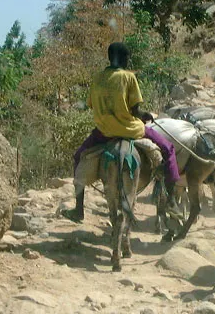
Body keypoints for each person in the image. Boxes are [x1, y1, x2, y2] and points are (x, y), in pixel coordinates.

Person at [61, 42, 183, 223]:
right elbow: (135, 111)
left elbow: (92, 105)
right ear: (121, 58)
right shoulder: (128, 78)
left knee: (78, 157)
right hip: (131, 130)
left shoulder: (97, 78)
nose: (128, 61)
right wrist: (145, 115)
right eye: (127, 58)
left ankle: (78, 209)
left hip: (103, 132)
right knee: (168, 149)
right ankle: (172, 200)